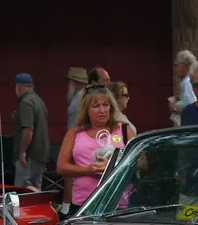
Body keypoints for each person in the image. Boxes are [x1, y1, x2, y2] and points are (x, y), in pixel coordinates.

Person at [56, 84, 137, 213]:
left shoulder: (124, 130)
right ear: (86, 109)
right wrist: (87, 170)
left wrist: (114, 166)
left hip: (118, 204)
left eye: (106, 105)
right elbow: (61, 167)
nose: (102, 110)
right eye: (96, 106)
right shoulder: (75, 133)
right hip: (83, 204)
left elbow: (140, 163)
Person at [12, 73, 50, 189]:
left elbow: (28, 129)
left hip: (30, 155)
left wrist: (22, 151)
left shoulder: (26, 103)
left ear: (19, 87)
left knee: (23, 189)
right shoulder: (38, 101)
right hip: (41, 154)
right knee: (35, 187)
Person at [169, 50, 197, 126]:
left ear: (184, 66)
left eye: (177, 65)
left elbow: (192, 109)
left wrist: (175, 108)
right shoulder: (188, 81)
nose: (175, 69)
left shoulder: (187, 83)